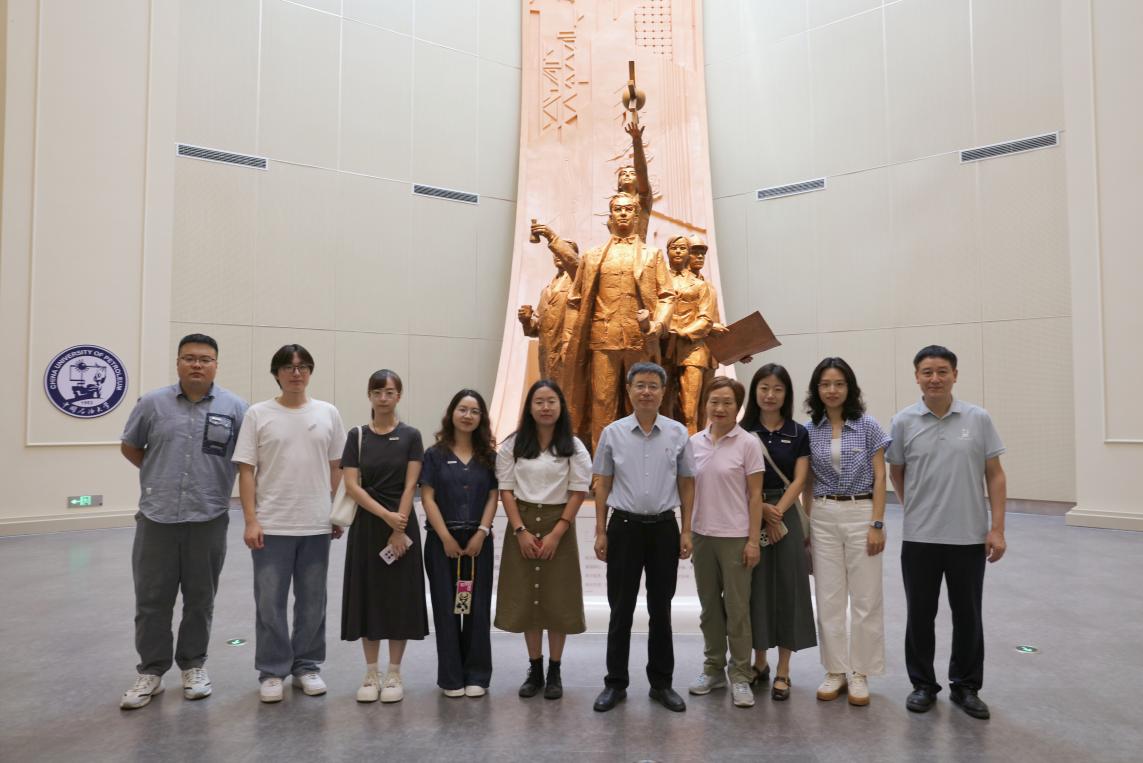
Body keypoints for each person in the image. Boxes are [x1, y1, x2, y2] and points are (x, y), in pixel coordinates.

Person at [118, 334, 248, 709]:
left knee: (200, 599)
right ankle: (151, 671)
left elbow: (246, 459)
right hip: (156, 517)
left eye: (205, 359)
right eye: (189, 358)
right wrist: (159, 476)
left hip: (208, 516)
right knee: (151, 600)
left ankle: (193, 666)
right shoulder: (152, 403)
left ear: (216, 365)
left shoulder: (236, 407)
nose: (197, 365)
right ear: (178, 363)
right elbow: (130, 445)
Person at [887, 346, 1007, 720]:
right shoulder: (903, 421)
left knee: (968, 616)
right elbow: (896, 472)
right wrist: (915, 506)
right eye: (927, 372)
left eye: (942, 371)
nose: (935, 378)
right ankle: (923, 685)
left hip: (968, 538)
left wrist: (997, 528)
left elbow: (995, 475)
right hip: (920, 538)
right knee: (919, 615)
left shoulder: (978, 418)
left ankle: (966, 686)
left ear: (955, 374)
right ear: (917, 377)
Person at [232, 344, 346, 703]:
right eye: (288, 367)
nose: (296, 373)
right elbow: (246, 471)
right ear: (276, 373)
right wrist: (251, 520)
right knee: (270, 602)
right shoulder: (258, 414)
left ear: (310, 372)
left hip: (316, 525)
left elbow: (337, 466)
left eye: (303, 367)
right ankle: (272, 670)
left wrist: (335, 511)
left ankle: (307, 666)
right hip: (272, 525)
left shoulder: (328, 413)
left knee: (313, 602)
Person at [592, 362, 696, 713]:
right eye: (640, 385)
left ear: (663, 392)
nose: (646, 391)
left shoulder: (678, 433)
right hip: (624, 528)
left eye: (653, 385)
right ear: (629, 390)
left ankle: (661, 683)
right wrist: (600, 531)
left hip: (664, 528)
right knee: (620, 608)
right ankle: (615, 683)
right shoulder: (613, 433)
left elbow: (687, 483)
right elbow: (603, 483)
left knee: (661, 609)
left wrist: (686, 529)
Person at [495, 380, 592, 700]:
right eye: (539, 401)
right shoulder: (514, 444)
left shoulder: (573, 446)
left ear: (561, 406)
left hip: (558, 525)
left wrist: (557, 533)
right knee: (528, 599)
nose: (546, 407)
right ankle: (534, 668)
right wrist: (520, 531)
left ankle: (555, 670)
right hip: (521, 524)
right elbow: (506, 490)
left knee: (557, 599)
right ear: (530, 407)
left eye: (551, 401)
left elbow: (578, 491)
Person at [802, 357, 890, 707]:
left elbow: (880, 477)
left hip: (861, 511)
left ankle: (860, 672)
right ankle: (835, 670)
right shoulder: (810, 429)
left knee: (866, 598)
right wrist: (807, 523)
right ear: (817, 389)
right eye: (825, 384)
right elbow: (807, 481)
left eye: (839, 383)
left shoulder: (868, 425)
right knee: (829, 597)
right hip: (823, 513)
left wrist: (877, 523)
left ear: (849, 387)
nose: (832, 390)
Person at [340, 369, 428, 704]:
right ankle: (370, 673)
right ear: (369, 395)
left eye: (389, 392)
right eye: (377, 392)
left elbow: (410, 484)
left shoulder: (411, 436)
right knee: (368, 595)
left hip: (401, 527)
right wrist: (385, 516)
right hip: (368, 525)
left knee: (398, 597)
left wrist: (398, 527)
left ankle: (394, 673)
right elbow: (352, 486)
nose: (383, 398)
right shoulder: (357, 436)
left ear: (398, 396)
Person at [561, 192, 676, 449]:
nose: (623, 213)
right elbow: (574, 301)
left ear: (636, 216)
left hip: (640, 339)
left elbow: (668, 295)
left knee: (642, 400)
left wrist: (657, 324)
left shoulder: (653, 255)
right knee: (602, 403)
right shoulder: (592, 256)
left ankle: (643, 456)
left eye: (628, 209)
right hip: (603, 340)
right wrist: (568, 340)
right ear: (611, 216)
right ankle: (602, 463)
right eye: (618, 209)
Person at [740, 363, 817, 701]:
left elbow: (800, 479)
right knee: (754, 588)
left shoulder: (799, 432)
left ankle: (784, 669)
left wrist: (776, 513)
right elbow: (737, 478)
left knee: (789, 588)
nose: (770, 395)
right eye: (764, 388)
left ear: (786, 394)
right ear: (754, 391)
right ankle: (759, 662)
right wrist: (761, 510)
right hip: (749, 512)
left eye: (777, 389)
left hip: (786, 514)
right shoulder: (743, 431)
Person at [686, 377, 764, 708]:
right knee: (709, 610)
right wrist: (686, 531)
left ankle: (742, 675)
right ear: (705, 404)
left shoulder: (748, 444)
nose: (720, 408)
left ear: (738, 407)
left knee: (737, 610)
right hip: (703, 536)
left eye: (727, 402)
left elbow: (756, 496)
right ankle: (713, 669)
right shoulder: (693, 443)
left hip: (736, 538)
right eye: (714, 401)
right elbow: (688, 491)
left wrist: (752, 541)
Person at [421, 389, 498, 699]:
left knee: (477, 609)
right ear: (452, 413)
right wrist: (445, 537)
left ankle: (477, 675)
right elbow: (427, 497)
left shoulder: (489, 456)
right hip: (443, 542)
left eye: (474, 411)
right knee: (446, 609)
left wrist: (481, 532)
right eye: (462, 409)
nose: (468, 416)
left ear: (482, 418)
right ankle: (451, 678)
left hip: (478, 543)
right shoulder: (434, 455)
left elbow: (493, 496)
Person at [663, 234, 725, 434]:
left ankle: (694, 446)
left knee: (695, 408)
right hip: (667, 349)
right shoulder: (663, 279)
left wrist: (684, 331)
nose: (698, 257)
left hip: (698, 350)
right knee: (668, 406)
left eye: (701, 253)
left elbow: (710, 319)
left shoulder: (704, 286)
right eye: (695, 252)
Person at [521, 226, 580, 381]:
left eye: (563, 250)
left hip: (567, 354)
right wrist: (526, 320)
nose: (557, 255)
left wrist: (550, 237)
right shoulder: (546, 290)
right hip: (546, 356)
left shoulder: (578, 282)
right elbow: (535, 328)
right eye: (555, 252)